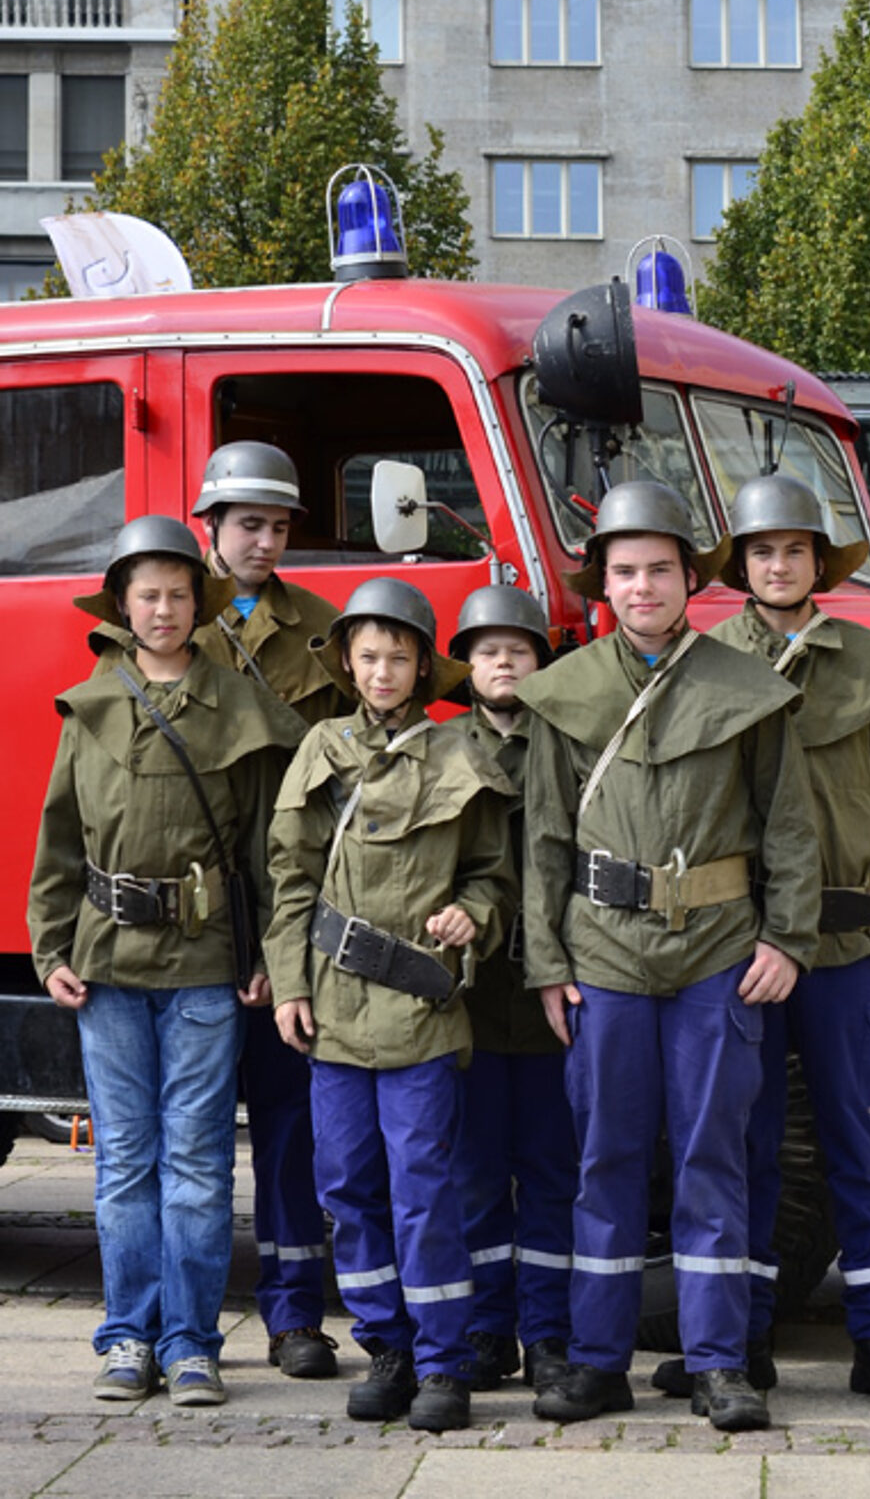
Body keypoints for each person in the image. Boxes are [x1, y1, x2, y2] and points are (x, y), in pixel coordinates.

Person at [518, 479, 820, 1435]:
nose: (641, 587)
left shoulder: (749, 690)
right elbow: (543, 842)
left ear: (691, 578)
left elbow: (790, 826)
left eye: (658, 570)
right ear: (600, 585)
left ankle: (720, 1363)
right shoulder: (566, 693)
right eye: (623, 572)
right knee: (604, 1160)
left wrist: (787, 939)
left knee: (711, 1159)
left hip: (718, 957)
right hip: (603, 955)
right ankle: (600, 1362)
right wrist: (545, 962)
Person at [653, 473, 870, 1410]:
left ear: (820, 563)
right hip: (738, 947)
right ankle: (747, 1336)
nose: (779, 564)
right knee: (745, 1139)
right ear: (739, 566)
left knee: (858, 1136)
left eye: (795, 550)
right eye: (762, 551)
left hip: (840, 948)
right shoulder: (699, 664)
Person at [27, 516, 302, 1407]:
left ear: (200, 603)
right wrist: (50, 948)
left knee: (196, 1163)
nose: (164, 609)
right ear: (122, 604)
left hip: (205, 967)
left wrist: (268, 955)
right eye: (147, 594)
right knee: (125, 1162)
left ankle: (191, 1344)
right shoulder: (91, 707)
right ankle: (125, 1340)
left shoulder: (240, 707)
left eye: (180, 594)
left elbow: (268, 850)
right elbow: (60, 841)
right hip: (107, 967)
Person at [264, 578, 514, 1433]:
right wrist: (290, 987)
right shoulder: (319, 752)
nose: (381, 670)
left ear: (422, 666)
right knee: (347, 1187)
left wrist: (472, 914)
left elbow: (492, 873)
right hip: (332, 1013)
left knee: (424, 1188)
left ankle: (444, 1364)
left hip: (421, 1014)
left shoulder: (460, 757)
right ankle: (388, 1349)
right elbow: (290, 883)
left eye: (398, 655)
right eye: (367, 655)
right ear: (346, 662)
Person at [192, 442, 347, 1381]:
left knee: (292, 1129)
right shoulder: (165, 627)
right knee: (196, 1134)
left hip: (290, 904)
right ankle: (184, 1321)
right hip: (196, 916)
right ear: (209, 525)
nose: (264, 540)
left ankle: (294, 1317)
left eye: (280, 525)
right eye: (248, 522)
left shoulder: (327, 631)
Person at [448, 583, 577, 1398]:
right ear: (465, 663)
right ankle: (489, 1329)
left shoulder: (569, 747)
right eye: (488, 649)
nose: (503, 661)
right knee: (474, 1174)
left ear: (541, 663)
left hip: (551, 995)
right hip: (465, 998)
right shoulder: (438, 751)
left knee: (555, 1172)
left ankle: (551, 1335)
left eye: (519, 649)